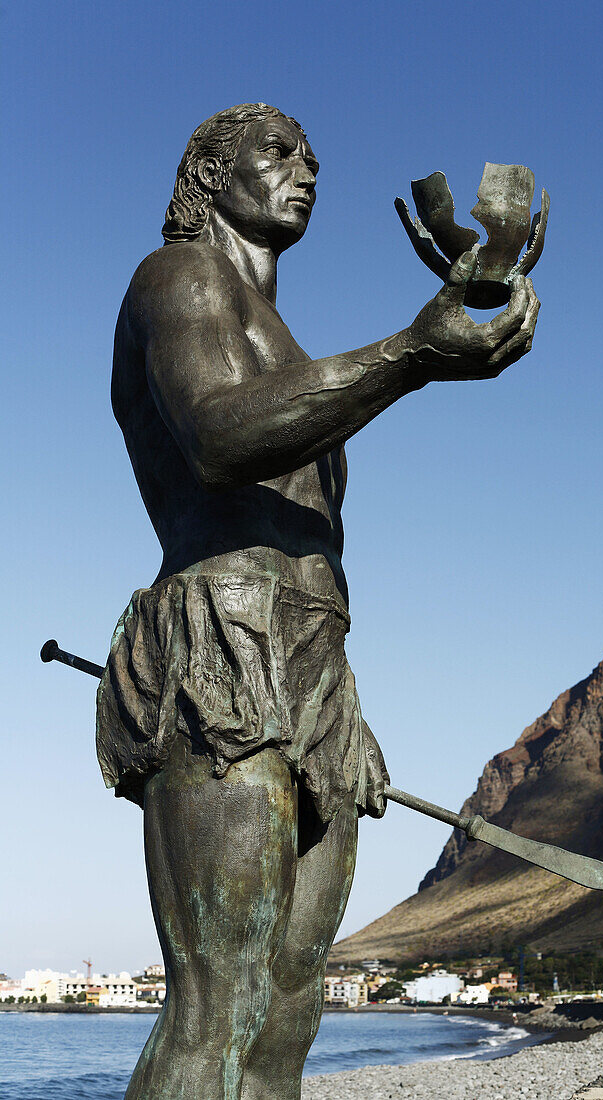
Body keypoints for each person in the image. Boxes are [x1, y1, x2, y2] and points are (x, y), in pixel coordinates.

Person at [96, 102, 540, 1099]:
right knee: (219, 996)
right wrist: (410, 355)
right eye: (280, 153)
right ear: (210, 174)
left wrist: (347, 700)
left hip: (316, 669)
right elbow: (218, 436)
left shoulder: (288, 342)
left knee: (291, 1000)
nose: (310, 168)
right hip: (221, 643)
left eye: (312, 157)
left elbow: (309, 535)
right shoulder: (176, 279)